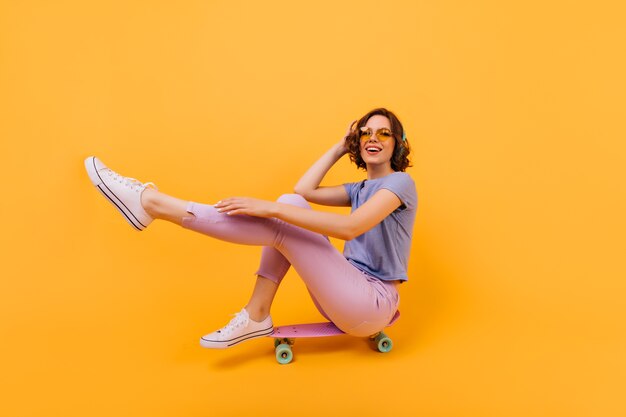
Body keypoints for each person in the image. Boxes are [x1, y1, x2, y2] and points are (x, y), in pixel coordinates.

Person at [84, 107, 417, 349]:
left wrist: (269, 209)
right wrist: (340, 146)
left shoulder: (401, 183)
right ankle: (257, 313)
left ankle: (153, 203)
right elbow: (304, 190)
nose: (373, 138)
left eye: (383, 133)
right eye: (365, 132)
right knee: (291, 202)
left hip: (373, 303)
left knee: (284, 216)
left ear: (396, 143)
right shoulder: (358, 190)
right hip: (345, 291)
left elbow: (350, 228)